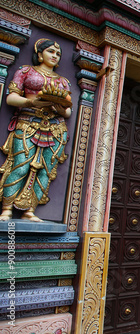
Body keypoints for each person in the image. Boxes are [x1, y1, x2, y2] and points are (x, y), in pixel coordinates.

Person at [0, 38, 72, 222]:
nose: (55, 56)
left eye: (58, 54)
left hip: (55, 128)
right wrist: (30, 102)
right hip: (28, 123)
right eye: (51, 52)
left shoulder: (63, 82)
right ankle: (7, 208)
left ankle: (29, 210)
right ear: (40, 54)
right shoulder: (26, 71)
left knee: (46, 170)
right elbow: (11, 98)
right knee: (21, 164)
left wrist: (57, 107)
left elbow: (68, 111)